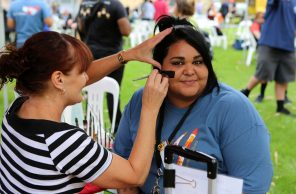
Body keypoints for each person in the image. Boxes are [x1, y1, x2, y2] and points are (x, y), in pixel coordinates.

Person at [0, 28, 172, 193]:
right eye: (82, 71)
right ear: (58, 79)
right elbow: (134, 175)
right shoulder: (64, 143)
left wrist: (127, 56)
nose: (87, 77)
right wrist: (150, 108)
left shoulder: (16, 109)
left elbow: (71, 78)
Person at [114, 16, 273, 194]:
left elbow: (253, 187)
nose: (190, 71)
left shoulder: (233, 109)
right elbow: (122, 165)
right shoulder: (141, 100)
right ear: (158, 68)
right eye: (178, 63)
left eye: (198, 62)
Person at [78, 0, 131, 133]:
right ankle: (116, 127)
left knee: (90, 90)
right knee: (113, 92)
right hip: (112, 56)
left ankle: (90, 124)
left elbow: (80, 26)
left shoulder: (85, 4)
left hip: (90, 54)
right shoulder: (116, 5)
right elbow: (126, 30)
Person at [241, 0, 296, 116]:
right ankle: (244, 93)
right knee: (262, 74)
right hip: (270, 43)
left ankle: (280, 107)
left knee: (283, 78)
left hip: (288, 45)